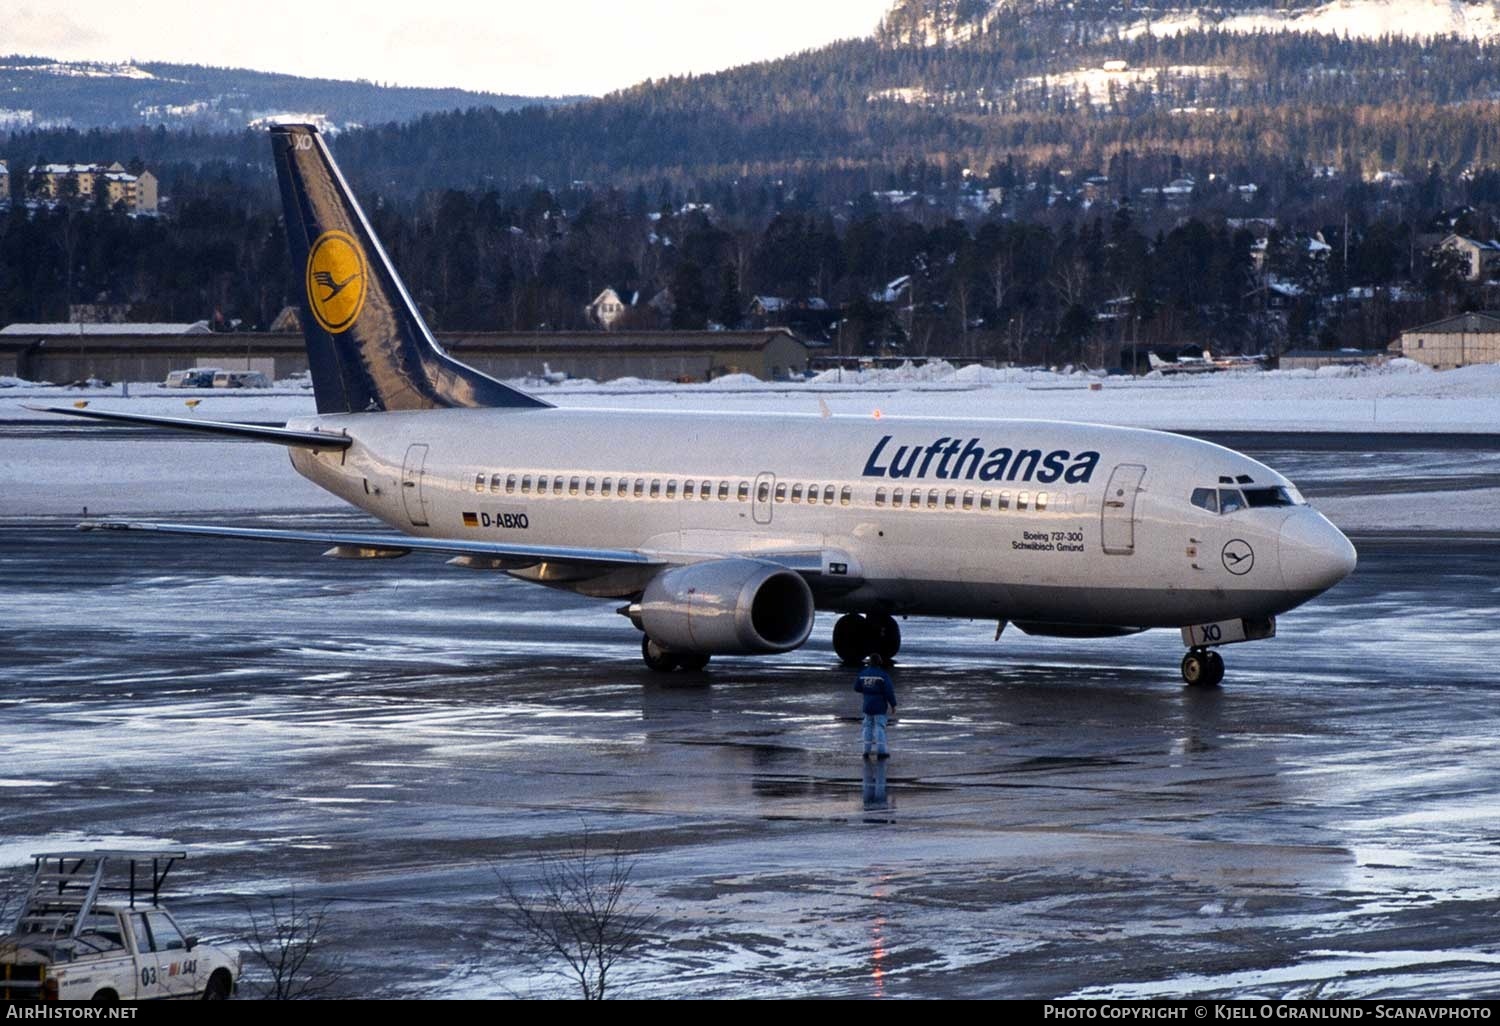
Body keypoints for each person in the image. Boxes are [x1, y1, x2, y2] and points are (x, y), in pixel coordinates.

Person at [853, 654, 897, 760]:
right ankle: (881, 751)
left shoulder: (863, 674)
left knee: (867, 727)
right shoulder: (882, 675)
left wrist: (867, 690)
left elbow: (856, 687)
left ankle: (866, 750)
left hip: (867, 705)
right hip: (879, 706)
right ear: (880, 662)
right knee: (879, 727)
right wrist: (893, 704)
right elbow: (889, 691)